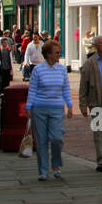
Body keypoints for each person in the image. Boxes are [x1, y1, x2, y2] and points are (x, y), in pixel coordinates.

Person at [26, 39, 73, 181]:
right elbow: (32, 89)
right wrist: (29, 106)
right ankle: (43, 170)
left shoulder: (62, 69)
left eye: (59, 52)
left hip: (57, 108)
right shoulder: (38, 70)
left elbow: (65, 88)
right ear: (48, 54)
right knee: (41, 140)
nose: (59, 55)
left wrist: (69, 105)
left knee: (57, 138)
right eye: (57, 52)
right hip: (39, 107)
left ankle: (56, 164)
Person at [79, 36, 102, 172]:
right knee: (98, 131)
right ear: (96, 46)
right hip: (95, 99)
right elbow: (83, 85)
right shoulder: (89, 63)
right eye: (101, 43)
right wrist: (82, 103)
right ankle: (100, 160)